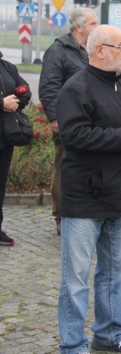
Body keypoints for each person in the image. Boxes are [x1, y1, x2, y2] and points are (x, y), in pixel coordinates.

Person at [56, 25, 121, 354]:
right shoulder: (76, 87)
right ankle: (72, 344)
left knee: (117, 273)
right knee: (76, 279)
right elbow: (75, 137)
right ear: (99, 50)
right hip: (84, 197)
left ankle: (110, 334)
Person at [40, 8, 98, 236]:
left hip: (92, 121)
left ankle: (86, 211)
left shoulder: (93, 50)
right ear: (79, 27)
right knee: (64, 168)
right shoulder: (58, 51)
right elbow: (48, 87)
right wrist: (54, 118)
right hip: (68, 121)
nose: (97, 26)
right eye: (93, 23)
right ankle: (61, 216)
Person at [0, 51, 32, 246]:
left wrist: (15, 101)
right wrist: (2, 103)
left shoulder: (7, 67)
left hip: (5, 137)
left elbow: (25, 91)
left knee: (0, 185)